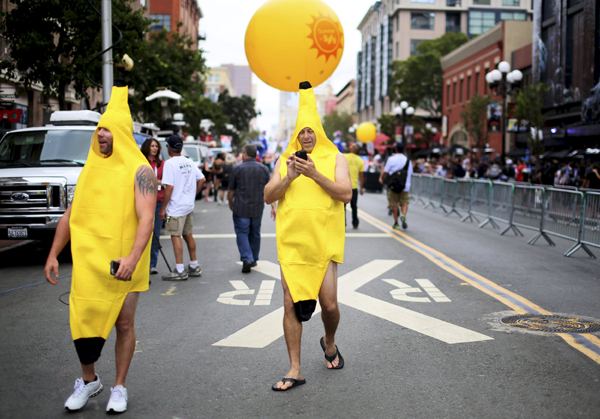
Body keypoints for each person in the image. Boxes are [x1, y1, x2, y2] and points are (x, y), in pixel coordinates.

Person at [43, 85, 157, 413]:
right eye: (99, 128)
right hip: (90, 262)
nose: (101, 134)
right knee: (85, 321)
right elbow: (70, 215)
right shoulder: (89, 168)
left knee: (123, 324)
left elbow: (146, 219)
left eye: (107, 129)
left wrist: (133, 259)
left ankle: (119, 386)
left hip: (124, 263)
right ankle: (89, 381)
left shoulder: (141, 171)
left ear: (121, 133)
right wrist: (53, 253)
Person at [264, 81, 352, 391]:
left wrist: (314, 173)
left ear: (320, 132)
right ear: (296, 135)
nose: (306, 135)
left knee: (329, 306)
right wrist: (289, 177)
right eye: (301, 131)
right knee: (290, 305)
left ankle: (329, 340)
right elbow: (267, 195)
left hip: (323, 245)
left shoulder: (335, 158)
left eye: (311, 130)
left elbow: (346, 194)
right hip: (291, 245)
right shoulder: (284, 160)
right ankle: (295, 369)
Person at [159, 135, 206, 281]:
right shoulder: (189, 161)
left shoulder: (169, 163)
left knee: (175, 236)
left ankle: (179, 270)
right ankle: (194, 265)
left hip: (176, 206)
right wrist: (193, 195)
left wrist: (163, 208)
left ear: (169, 148)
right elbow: (202, 179)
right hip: (188, 205)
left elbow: (169, 186)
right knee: (188, 234)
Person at [227, 144, 271, 273]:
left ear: (245, 154)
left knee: (242, 233)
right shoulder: (263, 169)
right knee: (255, 233)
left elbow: (230, 191)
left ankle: (247, 258)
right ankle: (254, 258)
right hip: (257, 206)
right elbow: (268, 188)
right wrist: (272, 204)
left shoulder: (237, 169)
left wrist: (231, 202)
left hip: (240, 207)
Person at [141, 138, 164, 275]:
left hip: (158, 201)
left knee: (156, 234)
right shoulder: (141, 162)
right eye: (152, 146)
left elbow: (166, 181)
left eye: (156, 146)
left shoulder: (162, 164)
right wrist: (157, 182)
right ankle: (141, 263)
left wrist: (155, 181)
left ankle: (152, 264)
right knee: (143, 233)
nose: (154, 148)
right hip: (143, 201)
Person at [379, 142, 413, 230]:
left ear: (396, 149)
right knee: (404, 202)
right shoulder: (408, 160)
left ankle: (396, 222)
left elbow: (386, 171)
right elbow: (410, 173)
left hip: (393, 185)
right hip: (405, 185)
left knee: (394, 204)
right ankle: (403, 214)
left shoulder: (391, 159)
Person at [344, 143, 365, 229]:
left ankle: (343, 223)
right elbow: (361, 175)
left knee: (342, 207)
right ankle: (355, 223)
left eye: (351, 147)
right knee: (354, 206)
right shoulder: (360, 160)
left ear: (352, 150)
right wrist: (362, 188)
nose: (349, 147)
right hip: (354, 187)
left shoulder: (344, 157)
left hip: (344, 185)